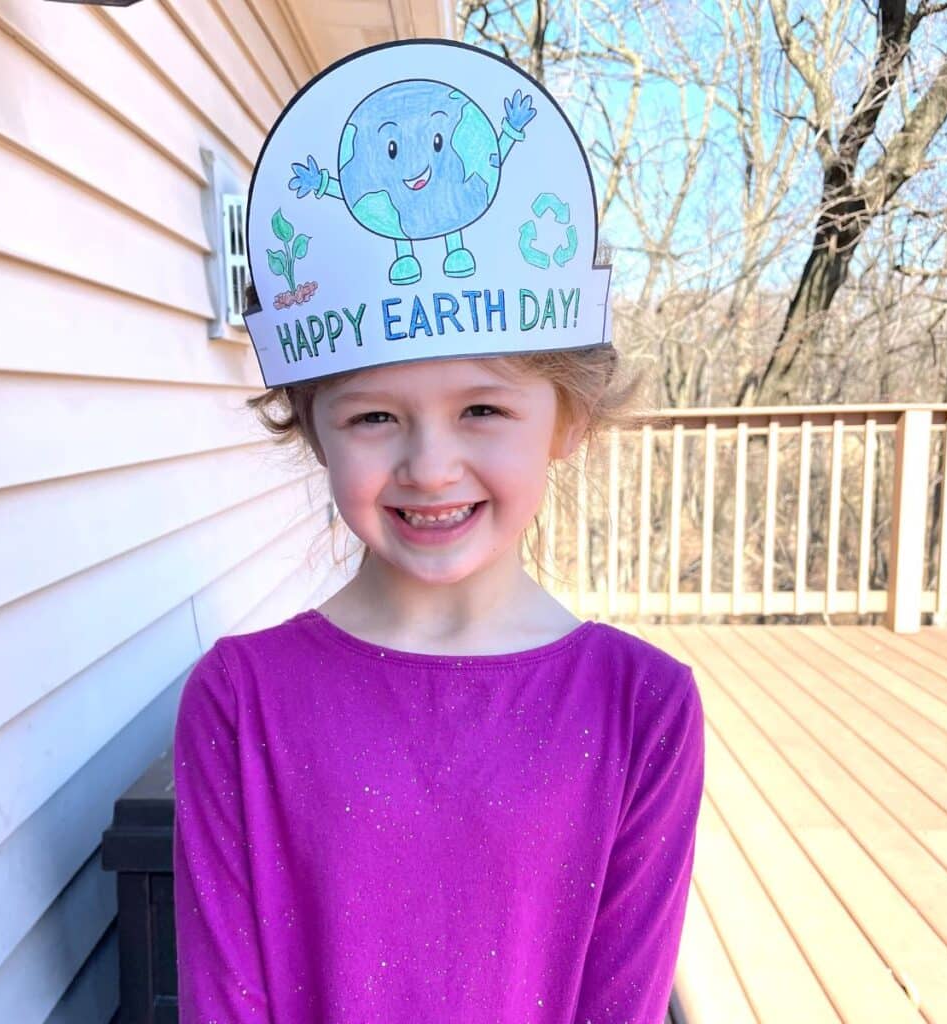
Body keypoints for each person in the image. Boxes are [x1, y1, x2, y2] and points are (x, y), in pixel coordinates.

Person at [172, 39, 704, 1024]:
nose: (427, 464)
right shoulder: (238, 704)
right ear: (313, 428)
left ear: (567, 421)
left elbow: (620, 1002)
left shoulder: (643, 710)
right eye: (374, 416)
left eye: (482, 411)